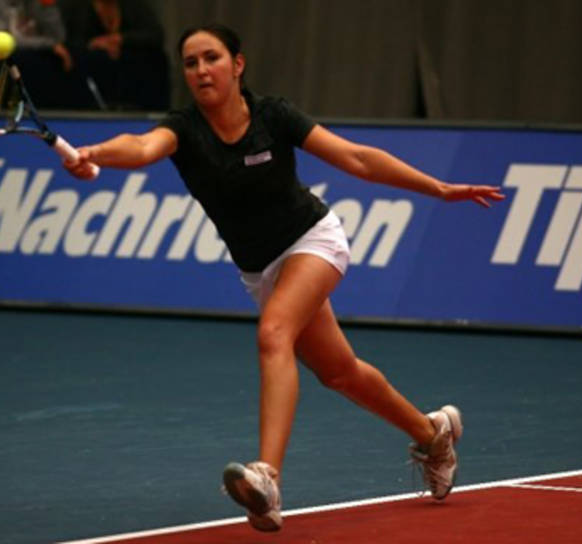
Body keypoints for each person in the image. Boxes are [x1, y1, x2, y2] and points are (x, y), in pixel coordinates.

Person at [64, 23, 505, 532]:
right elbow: (141, 147)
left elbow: (357, 158)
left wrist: (439, 189)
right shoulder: (184, 128)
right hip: (261, 269)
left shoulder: (273, 115)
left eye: (212, 58)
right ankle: (432, 435)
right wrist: (94, 154)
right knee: (339, 372)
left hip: (313, 240)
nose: (202, 70)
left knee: (274, 333)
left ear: (237, 64)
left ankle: (267, 478)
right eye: (191, 62)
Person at [60, 0, 170, 110]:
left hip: (128, 58)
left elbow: (156, 35)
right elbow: (67, 40)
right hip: (89, 58)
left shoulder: (134, 5)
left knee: (156, 58)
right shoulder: (77, 7)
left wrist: (120, 40)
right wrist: (96, 45)